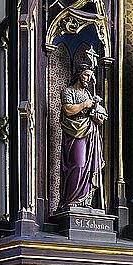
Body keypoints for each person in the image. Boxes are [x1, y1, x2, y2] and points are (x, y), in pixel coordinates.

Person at [58, 64, 107, 211]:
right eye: (86, 75)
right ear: (79, 74)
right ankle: (72, 200)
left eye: (90, 76)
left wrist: (97, 116)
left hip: (90, 132)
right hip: (75, 132)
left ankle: (85, 201)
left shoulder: (89, 94)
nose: (88, 79)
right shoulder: (68, 91)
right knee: (78, 164)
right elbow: (68, 110)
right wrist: (85, 104)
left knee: (89, 166)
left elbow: (97, 117)